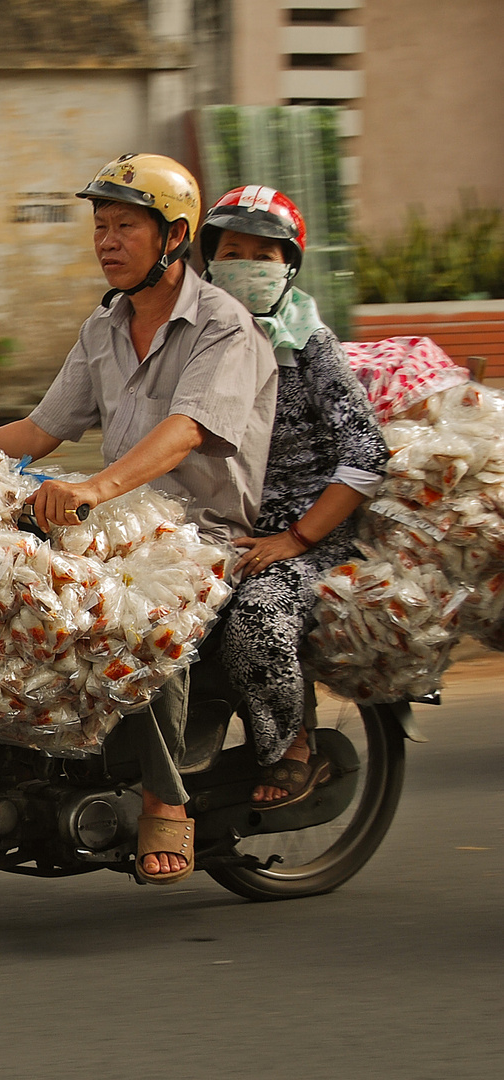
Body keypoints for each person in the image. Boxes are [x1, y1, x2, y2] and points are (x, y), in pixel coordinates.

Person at [0, 154, 279, 884]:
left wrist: (94, 489)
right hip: (116, 517)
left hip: (202, 533)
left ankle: (165, 804)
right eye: (100, 227)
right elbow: (41, 430)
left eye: (125, 227)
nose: (107, 241)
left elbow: (188, 430)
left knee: (143, 610)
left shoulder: (223, 328)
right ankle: (27, 763)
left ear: (173, 237)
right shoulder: (103, 328)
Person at [198, 185, 388, 807]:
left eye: (264, 255)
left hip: (306, 535)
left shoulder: (310, 347)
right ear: (209, 260)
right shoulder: (196, 342)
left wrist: (295, 538)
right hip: (219, 527)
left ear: (288, 267)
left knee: (255, 618)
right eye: (233, 252)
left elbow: (366, 455)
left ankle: (293, 748)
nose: (246, 267)